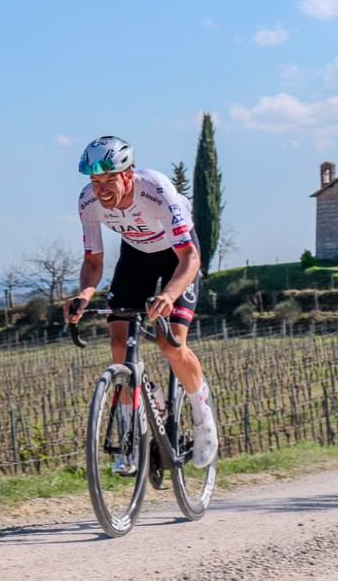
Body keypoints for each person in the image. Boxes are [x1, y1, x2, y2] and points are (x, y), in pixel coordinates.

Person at [64, 136, 218, 474]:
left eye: (108, 180)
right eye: (94, 181)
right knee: (119, 342)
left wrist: (170, 294)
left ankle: (202, 414)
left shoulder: (156, 189)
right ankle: (133, 435)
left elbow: (190, 256)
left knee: (171, 342)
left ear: (129, 174)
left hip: (177, 257)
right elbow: (93, 261)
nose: (101, 190)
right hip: (136, 258)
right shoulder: (88, 202)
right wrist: (83, 297)